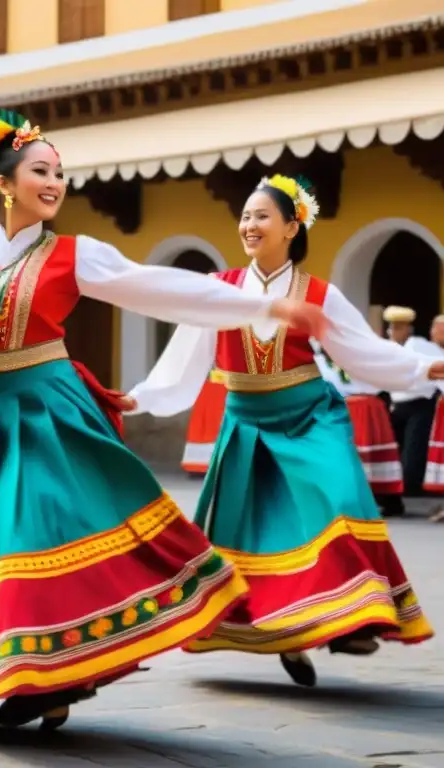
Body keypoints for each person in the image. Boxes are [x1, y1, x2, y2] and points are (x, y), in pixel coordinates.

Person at [0, 110, 328, 727]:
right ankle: (49, 677)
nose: (55, 183)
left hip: (49, 412)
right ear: (4, 182)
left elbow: (156, 285)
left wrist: (264, 303)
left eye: (60, 174)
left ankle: (48, 679)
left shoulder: (77, 254)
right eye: (41, 171)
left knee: (34, 531)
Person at [128, 174, 441, 688]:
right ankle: (289, 632)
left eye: (261, 216)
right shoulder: (219, 290)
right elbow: (182, 360)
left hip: (310, 416)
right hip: (248, 424)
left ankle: (350, 620)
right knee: (256, 533)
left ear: (292, 227)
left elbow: (361, 350)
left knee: (340, 499)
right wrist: (142, 397)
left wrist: (421, 369)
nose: (249, 225)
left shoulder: (320, 293)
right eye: (245, 216)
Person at [313, 340, 405, 517]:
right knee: (352, 455)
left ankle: (389, 500)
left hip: (364, 407)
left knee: (368, 454)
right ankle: (359, 501)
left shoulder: (357, 356)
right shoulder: (321, 361)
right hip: (350, 408)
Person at [384, 306, 443, 498]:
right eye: (392, 328)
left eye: (398, 328)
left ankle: (410, 488)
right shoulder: (390, 347)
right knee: (390, 447)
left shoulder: (418, 344)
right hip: (398, 405)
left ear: (408, 329)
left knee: (413, 449)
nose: (393, 332)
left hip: (420, 404)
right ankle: (391, 488)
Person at [181, 373, 227, 476]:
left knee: (212, 426)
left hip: (219, 388)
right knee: (202, 425)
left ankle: (210, 465)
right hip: (208, 388)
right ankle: (198, 466)